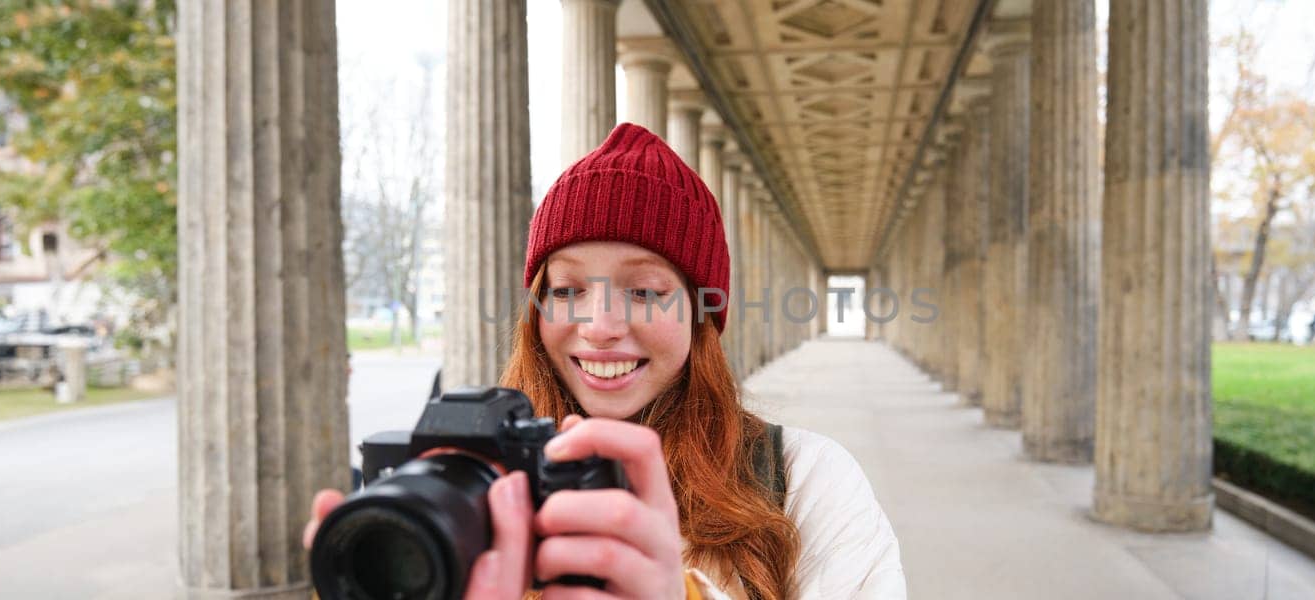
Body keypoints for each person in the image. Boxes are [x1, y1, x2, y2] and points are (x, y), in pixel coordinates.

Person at [304, 123, 904, 599]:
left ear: (701, 314)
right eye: (566, 291)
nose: (600, 328)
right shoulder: (465, 482)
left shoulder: (808, 482)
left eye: (644, 291)